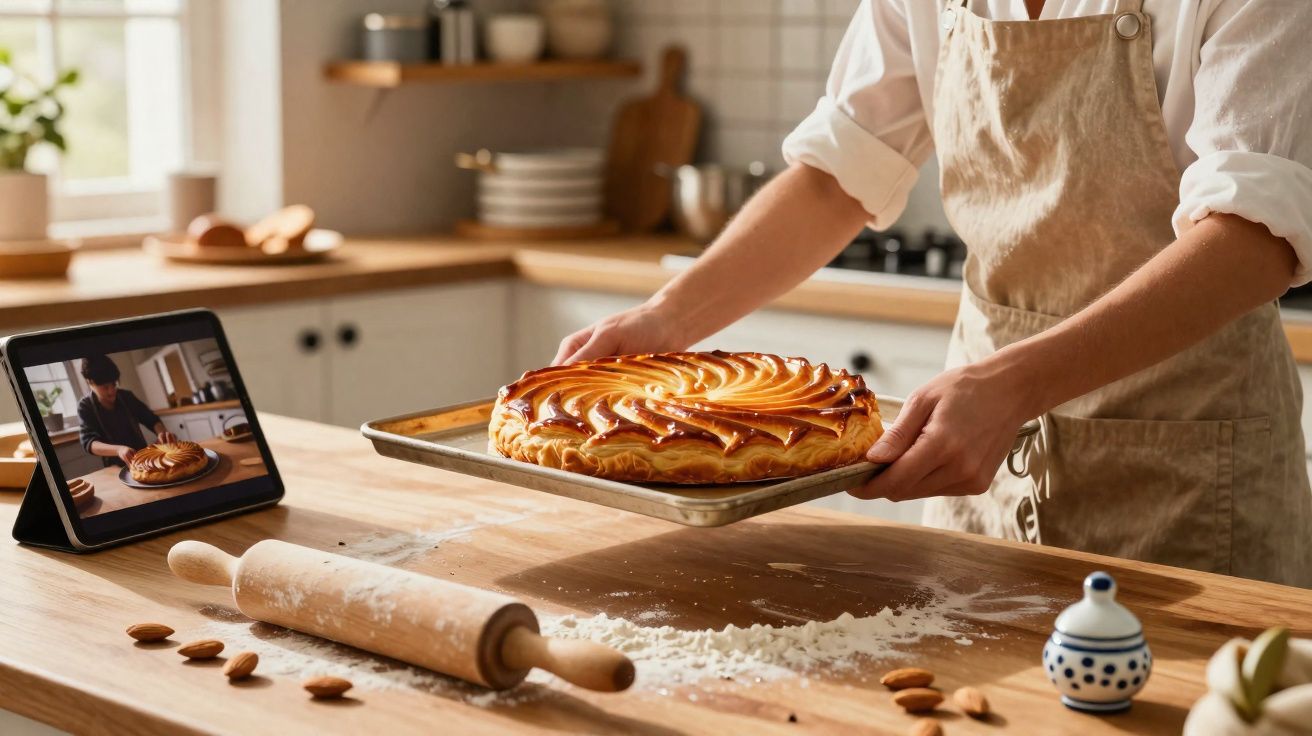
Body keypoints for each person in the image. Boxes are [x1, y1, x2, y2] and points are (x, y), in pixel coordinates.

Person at [553, 0, 1312, 587]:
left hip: (1193, 465)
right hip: (980, 461)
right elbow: (836, 173)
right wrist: (667, 316)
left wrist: (1013, 384)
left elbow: (1252, 240)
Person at [77, 355, 176, 467]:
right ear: (89, 382)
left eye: (114, 384)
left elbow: (151, 419)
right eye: (105, 387)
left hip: (143, 460)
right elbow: (89, 442)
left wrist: (162, 433)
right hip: (114, 468)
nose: (111, 391)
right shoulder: (85, 406)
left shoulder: (126, 397)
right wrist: (119, 450)